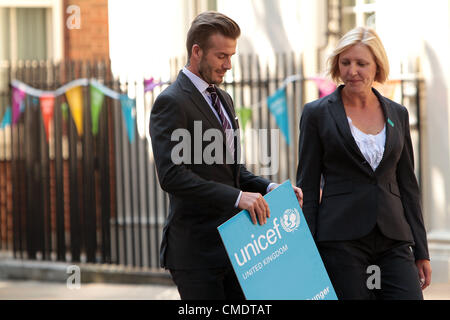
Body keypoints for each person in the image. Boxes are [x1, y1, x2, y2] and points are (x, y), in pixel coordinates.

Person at [150, 11, 303, 300]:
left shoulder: (223, 98)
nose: (228, 65)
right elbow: (172, 176)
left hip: (236, 246)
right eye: (221, 56)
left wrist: (269, 189)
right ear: (197, 51)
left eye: (231, 56)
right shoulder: (170, 102)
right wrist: (237, 197)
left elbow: (232, 171)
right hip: (195, 251)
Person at [296, 26, 431, 300]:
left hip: (393, 237)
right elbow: (308, 187)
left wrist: (421, 251)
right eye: (345, 63)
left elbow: (408, 185)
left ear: (377, 66)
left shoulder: (398, 113)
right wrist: (307, 252)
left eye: (361, 63)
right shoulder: (316, 114)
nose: (352, 70)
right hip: (340, 239)